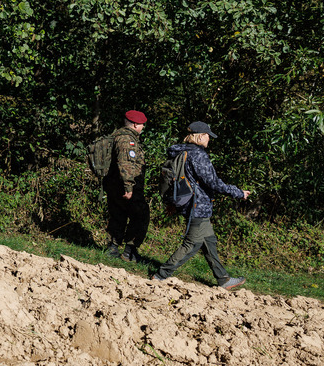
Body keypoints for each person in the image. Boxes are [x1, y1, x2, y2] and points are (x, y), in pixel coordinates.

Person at [152, 121, 252, 290]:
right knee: (191, 244)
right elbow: (212, 182)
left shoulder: (180, 151)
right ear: (200, 136)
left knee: (209, 241)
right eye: (207, 136)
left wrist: (171, 203)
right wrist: (238, 192)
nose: (209, 139)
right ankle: (161, 275)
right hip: (197, 204)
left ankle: (223, 279)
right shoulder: (198, 155)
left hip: (188, 202)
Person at [103, 110, 149, 262]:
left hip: (114, 185)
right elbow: (126, 164)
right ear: (135, 125)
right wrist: (129, 187)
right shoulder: (127, 140)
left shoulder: (116, 136)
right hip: (126, 186)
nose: (143, 127)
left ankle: (113, 247)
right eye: (142, 124)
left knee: (118, 215)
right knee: (140, 216)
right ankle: (129, 251)